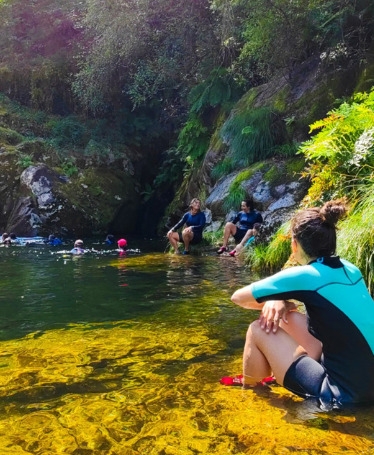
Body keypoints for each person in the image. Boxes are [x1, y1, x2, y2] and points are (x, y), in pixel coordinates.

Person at [230, 199, 374, 410]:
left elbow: (238, 297)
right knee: (291, 318)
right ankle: (295, 369)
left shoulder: (304, 275)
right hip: (366, 383)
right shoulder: (351, 269)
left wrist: (277, 298)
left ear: (295, 244)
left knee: (258, 329)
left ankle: (253, 394)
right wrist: (280, 300)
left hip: (343, 395)